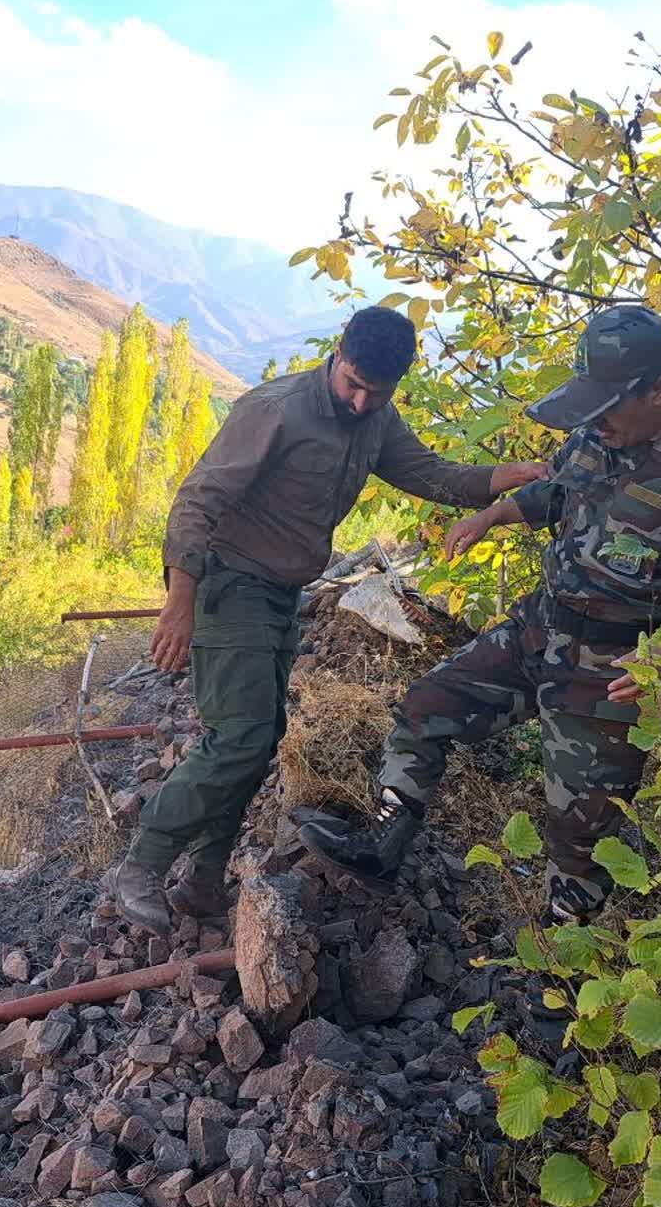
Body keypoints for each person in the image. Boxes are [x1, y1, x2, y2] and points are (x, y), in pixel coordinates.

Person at [298, 304, 661, 925]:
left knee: (579, 834)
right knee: (426, 707)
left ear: (658, 389)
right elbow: (555, 493)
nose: (595, 422)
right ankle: (383, 846)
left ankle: (563, 980)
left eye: (608, 406)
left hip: (613, 670)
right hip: (539, 629)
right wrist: (492, 514)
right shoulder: (600, 434)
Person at [111, 306, 550, 933]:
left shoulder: (377, 415)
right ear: (338, 354)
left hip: (280, 594)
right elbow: (197, 499)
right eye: (353, 383)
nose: (361, 401)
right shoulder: (277, 409)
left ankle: (203, 882)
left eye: (378, 392)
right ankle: (143, 863)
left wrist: (496, 482)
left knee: (259, 739)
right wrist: (178, 602)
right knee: (240, 735)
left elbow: (426, 472)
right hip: (229, 583)